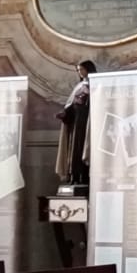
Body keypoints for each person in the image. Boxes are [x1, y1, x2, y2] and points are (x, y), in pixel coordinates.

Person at [56, 59, 95, 190]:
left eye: (81, 69)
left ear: (88, 69)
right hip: (76, 123)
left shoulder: (95, 84)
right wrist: (65, 113)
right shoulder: (79, 86)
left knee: (84, 147)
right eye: (78, 70)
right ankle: (74, 176)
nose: (80, 72)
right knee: (74, 150)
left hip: (87, 122)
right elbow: (71, 104)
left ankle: (84, 177)